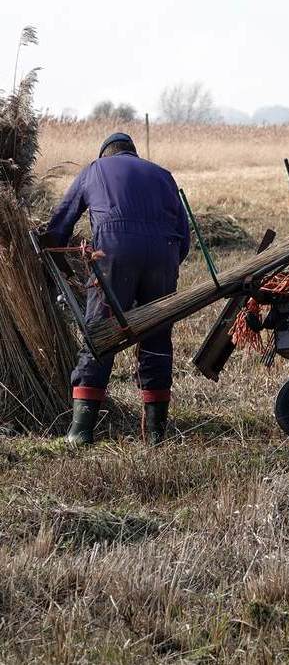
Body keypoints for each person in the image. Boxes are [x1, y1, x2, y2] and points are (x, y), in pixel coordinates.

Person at [46, 132, 190, 445]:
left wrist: (54, 260)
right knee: (156, 338)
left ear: (106, 154)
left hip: (114, 251)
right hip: (164, 253)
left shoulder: (95, 169)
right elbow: (184, 236)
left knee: (101, 334)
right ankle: (155, 435)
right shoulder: (163, 175)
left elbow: (60, 225)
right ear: (133, 154)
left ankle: (80, 431)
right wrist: (165, 269)